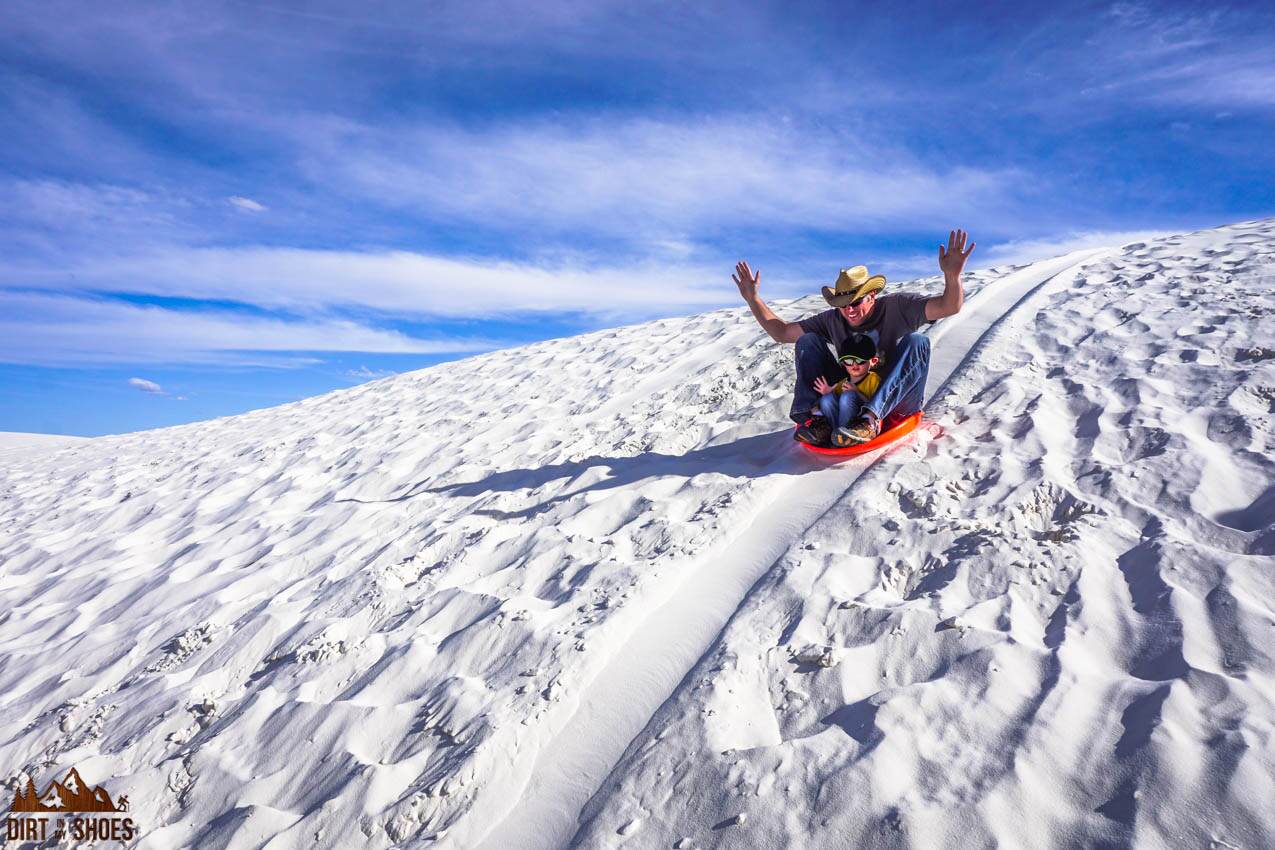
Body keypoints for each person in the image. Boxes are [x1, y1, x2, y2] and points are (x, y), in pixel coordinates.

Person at [732, 229, 975, 446]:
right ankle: (818, 421)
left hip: (897, 402)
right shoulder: (832, 320)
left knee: (917, 342)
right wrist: (754, 300)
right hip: (849, 394)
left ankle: (870, 420)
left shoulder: (898, 306)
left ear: (872, 295)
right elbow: (782, 333)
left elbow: (948, 307)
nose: (849, 310)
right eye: (842, 304)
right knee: (807, 342)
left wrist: (952, 276)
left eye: (855, 302)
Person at [814, 333, 881, 447]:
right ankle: (832, 435)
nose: (854, 364)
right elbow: (833, 405)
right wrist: (827, 392)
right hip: (838, 424)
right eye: (849, 361)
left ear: (873, 361)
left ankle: (845, 435)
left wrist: (857, 393)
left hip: (859, 425)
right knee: (826, 399)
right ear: (843, 364)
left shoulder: (873, 379)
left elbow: (876, 406)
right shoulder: (843, 383)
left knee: (848, 396)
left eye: (860, 361)